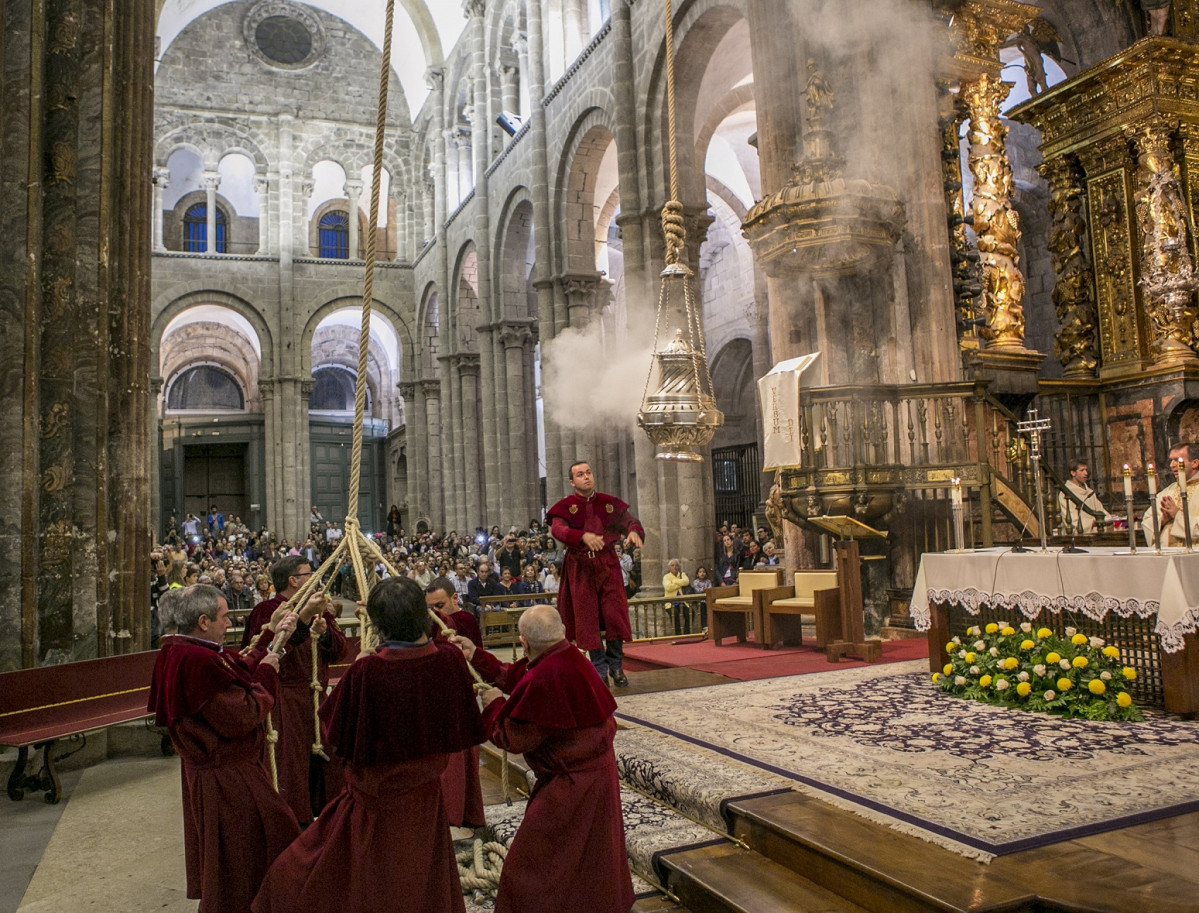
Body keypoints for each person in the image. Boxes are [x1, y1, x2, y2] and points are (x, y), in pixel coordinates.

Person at [252, 578, 483, 913]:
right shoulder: (449, 660)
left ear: (379, 624)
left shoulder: (369, 670)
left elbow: (335, 734)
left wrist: (362, 660)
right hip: (426, 797)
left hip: (378, 802)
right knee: (418, 875)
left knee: (312, 876)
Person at [455, 605, 634, 913]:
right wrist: (475, 655)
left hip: (571, 784)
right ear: (561, 631)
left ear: (523, 643)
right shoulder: (569, 657)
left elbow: (513, 738)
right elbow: (520, 677)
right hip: (594, 774)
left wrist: (494, 706)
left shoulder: (547, 676)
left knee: (534, 859)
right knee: (589, 852)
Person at [148, 585, 301, 913]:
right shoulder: (195, 662)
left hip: (221, 769)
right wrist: (269, 673)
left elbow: (236, 669)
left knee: (245, 851)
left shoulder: (185, 650)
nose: (229, 624)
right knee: (249, 851)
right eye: (224, 617)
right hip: (228, 775)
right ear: (203, 621)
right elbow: (241, 714)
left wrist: (273, 634)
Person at [241, 555, 347, 825]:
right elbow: (267, 652)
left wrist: (324, 634)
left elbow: (339, 651)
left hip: (316, 700)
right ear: (293, 580)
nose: (315, 579)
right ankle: (293, 828)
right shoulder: (267, 611)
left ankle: (326, 823)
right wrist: (303, 616)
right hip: (284, 702)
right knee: (290, 771)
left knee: (327, 767)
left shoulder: (319, 607)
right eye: (309, 574)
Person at [547, 461, 644, 686]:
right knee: (587, 619)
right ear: (572, 482)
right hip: (580, 567)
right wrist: (581, 537)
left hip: (608, 564)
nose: (586, 477)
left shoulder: (608, 503)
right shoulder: (565, 506)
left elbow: (631, 521)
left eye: (589, 472)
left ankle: (616, 666)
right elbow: (557, 529)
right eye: (580, 475)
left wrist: (634, 531)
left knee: (614, 616)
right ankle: (599, 669)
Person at [424, 577, 485, 828]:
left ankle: (457, 813)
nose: (436, 612)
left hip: (461, 695)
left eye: (440, 605)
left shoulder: (465, 620)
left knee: (459, 762)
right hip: (439, 696)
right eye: (430, 608)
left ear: (454, 598)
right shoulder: (432, 623)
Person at [1143, 442, 1199, 548]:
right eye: (1171, 460)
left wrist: (1177, 515)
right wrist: (1162, 520)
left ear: (1195, 463)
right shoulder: (1169, 491)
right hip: (1166, 556)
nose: (1171, 465)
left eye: (1177, 460)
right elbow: (1147, 520)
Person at [1057, 458, 1113, 535]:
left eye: (1086, 470)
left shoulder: (1089, 493)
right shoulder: (1066, 493)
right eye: (1082, 470)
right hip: (1077, 537)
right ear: (1073, 473)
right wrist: (1091, 522)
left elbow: (1101, 511)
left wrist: (1107, 519)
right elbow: (1071, 519)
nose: (1086, 473)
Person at [663, 558, 691, 636]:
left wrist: (674, 581)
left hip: (682, 601)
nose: (674, 567)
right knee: (674, 613)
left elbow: (686, 582)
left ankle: (687, 633)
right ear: (669, 568)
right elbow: (668, 587)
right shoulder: (666, 577)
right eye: (672, 565)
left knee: (690, 612)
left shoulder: (682, 574)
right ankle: (678, 634)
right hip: (671, 602)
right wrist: (680, 583)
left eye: (676, 565)